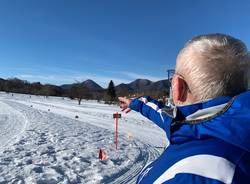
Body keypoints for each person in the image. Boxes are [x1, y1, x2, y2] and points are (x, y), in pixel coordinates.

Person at [119, 33, 250, 184]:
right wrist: (135, 103)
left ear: (178, 87)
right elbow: (165, 116)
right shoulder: (204, 123)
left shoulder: (193, 176)